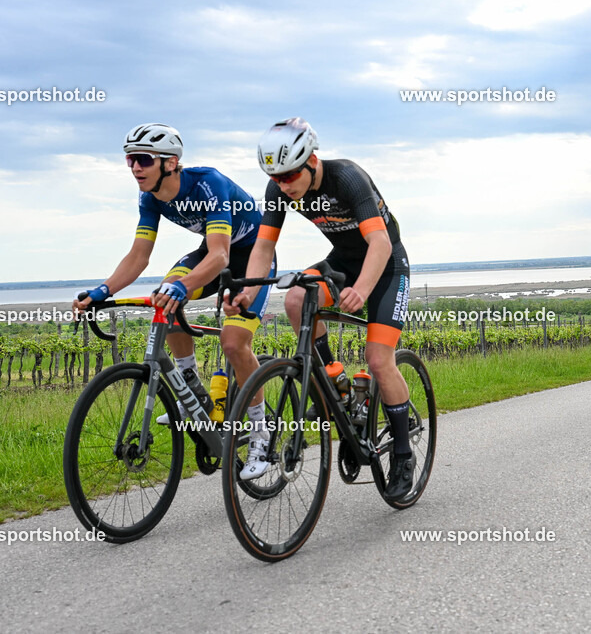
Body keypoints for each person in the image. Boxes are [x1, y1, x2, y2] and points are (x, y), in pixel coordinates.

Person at [72, 123, 276, 479]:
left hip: (251, 257)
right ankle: (190, 390)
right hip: (214, 254)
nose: (135, 167)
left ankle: (261, 433)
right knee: (163, 298)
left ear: (170, 162)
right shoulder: (150, 197)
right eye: (130, 160)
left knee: (232, 342)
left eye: (143, 159)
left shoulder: (208, 184)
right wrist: (103, 291)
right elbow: (138, 256)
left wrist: (183, 288)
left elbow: (220, 257)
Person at [228, 118, 416, 501]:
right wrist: (247, 291)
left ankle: (402, 452)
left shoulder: (347, 177)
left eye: (290, 175)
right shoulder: (278, 189)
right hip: (343, 262)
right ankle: (334, 381)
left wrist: (361, 290)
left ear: (312, 160)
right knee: (297, 298)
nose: (284, 185)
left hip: (385, 265)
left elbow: (379, 242)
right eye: (276, 178)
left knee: (379, 360)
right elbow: (263, 247)